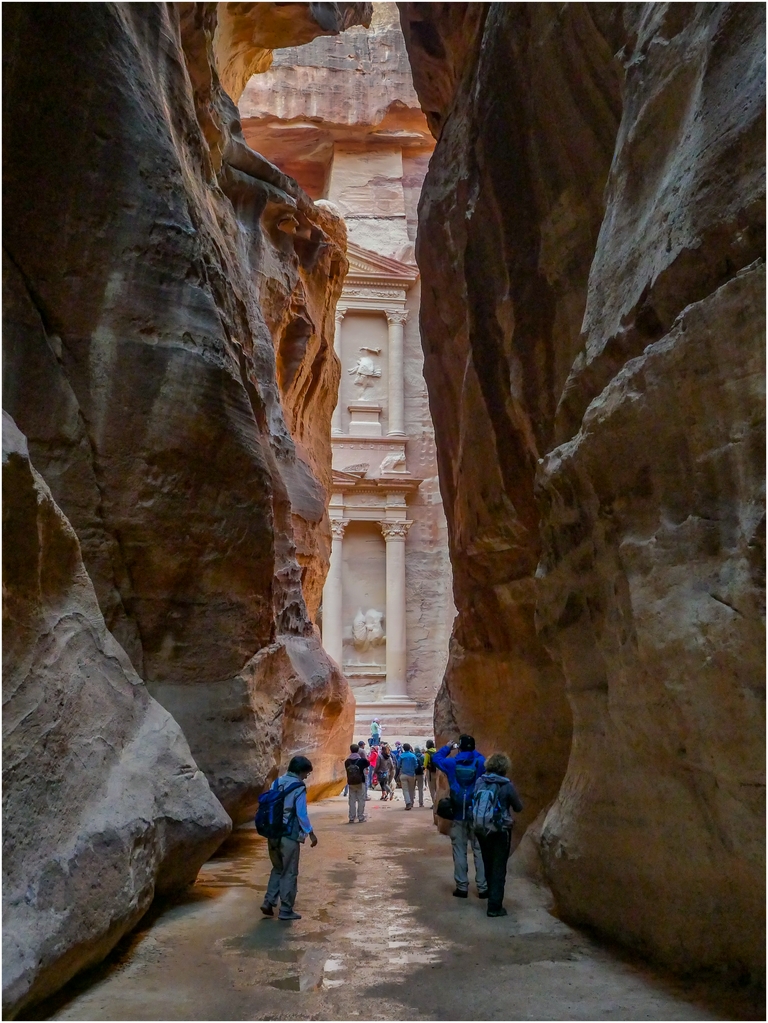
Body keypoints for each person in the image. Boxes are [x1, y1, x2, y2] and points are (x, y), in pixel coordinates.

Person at [261, 756, 318, 921]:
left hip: (272, 833)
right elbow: (301, 814)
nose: (306, 776)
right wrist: (311, 833)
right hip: (289, 835)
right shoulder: (299, 787)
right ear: (300, 771)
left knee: (277, 868)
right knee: (289, 871)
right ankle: (286, 909)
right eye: (306, 773)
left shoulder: (277, 782)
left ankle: (269, 901)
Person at [433, 735, 488, 899]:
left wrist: (448, 747)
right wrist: (471, 751)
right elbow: (481, 759)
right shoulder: (479, 762)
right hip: (476, 813)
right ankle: (483, 888)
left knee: (459, 851)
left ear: (460, 747)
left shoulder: (451, 763)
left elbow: (437, 758)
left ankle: (462, 887)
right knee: (479, 851)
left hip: (458, 813)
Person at [472, 752, 523, 917]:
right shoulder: (507, 785)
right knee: (499, 867)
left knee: (488, 864)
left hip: (481, 829)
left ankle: (490, 896)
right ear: (505, 768)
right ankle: (494, 906)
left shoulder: (480, 781)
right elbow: (518, 807)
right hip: (500, 831)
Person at [344, 744, 368, 824]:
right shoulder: (361, 761)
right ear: (358, 750)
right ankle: (360, 817)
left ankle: (351, 817)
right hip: (360, 782)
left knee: (352, 800)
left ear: (350, 750)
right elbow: (368, 763)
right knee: (361, 800)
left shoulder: (347, 762)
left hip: (351, 783)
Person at [398, 743, 418, 809]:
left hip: (403, 774)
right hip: (411, 774)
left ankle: (408, 802)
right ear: (409, 748)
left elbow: (398, 765)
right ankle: (411, 802)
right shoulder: (413, 756)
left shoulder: (401, 756)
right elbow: (416, 765)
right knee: (411, 789)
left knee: (405, 790)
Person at [424, 740, 438, 806]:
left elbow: (425, 764)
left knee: (432, 789)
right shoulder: (437, 750)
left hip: (430, 772)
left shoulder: (427, 753)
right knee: (437, 788)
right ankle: (438, 801)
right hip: (438, 771)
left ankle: (434, 803)